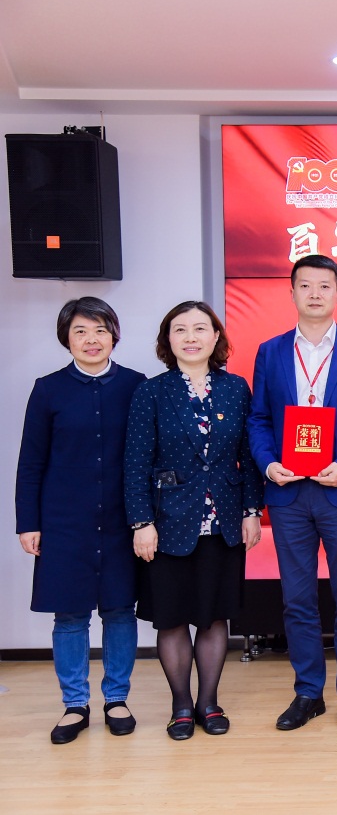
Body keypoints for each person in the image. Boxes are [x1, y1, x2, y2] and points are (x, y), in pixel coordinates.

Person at [247, 254, 337, 731]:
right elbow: (259, 418)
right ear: (291, 293)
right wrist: (268, 464)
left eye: (325, 286)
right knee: (297, 599)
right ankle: (308, 692)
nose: (315, 294)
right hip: (289, 494)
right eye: (305, 286)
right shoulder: (270, 351)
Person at [124, 301, 263, 740]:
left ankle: (208, 702)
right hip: (166, 523)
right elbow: (135, 463)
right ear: (168, 339)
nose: (190, 337)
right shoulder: (151, 392)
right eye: (180, 329)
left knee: (213, 616)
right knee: (171, 619)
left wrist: (251, 512)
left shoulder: (235, 388)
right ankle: (181, 705)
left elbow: (248, 457)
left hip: (222, 522)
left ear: (216, 337)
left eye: (200, 328)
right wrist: (141, 522)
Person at [15, 298, 147, 744]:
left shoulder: (135, 385)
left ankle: (116, 699)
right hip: (64, 521)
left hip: (121, 518)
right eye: (80, 332)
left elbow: (147, 455)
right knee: (69, 615)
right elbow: (31, 462)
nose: (92, 340)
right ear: (66, 338)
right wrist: (28, 522)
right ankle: (75, 704)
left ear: (114, 335)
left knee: (119, 610)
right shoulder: (48, 389)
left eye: (100, 330)